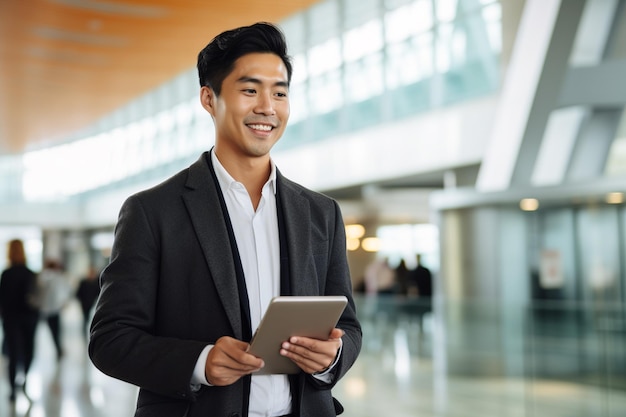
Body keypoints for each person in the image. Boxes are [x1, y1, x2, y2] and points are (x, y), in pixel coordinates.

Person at [89, 22, 362, 417]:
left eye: (280, 93)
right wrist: (199, 362)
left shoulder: (321, 213)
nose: (267, 107)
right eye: (250, 90)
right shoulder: (152, 212)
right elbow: (109, 339)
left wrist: (333, 356)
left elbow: (349, 326)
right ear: (209, 98)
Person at [0, 239, 39, 401]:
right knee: (29, 352)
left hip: (11, 319)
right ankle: (24, 382)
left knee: (14, 355)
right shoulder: (30, 273)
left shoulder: (6, 274)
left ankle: (12, 391)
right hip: (29, 318)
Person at [38, 258, 72, 360]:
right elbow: (63, 292)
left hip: (45, 309)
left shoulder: (42, 277)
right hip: (55, 309)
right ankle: (58, 349)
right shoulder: (58, 277)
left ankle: (58, 348)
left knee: (52, 330)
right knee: (57, 330)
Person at [75, 265, 100, 341]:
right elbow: (78, 293)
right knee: (85, 320)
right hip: (85, 304)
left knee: (93, 320)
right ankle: (84, 336)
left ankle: (92, 334)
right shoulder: (83, 282)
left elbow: (99, 294)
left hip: (94, 305)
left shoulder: (97, 283)